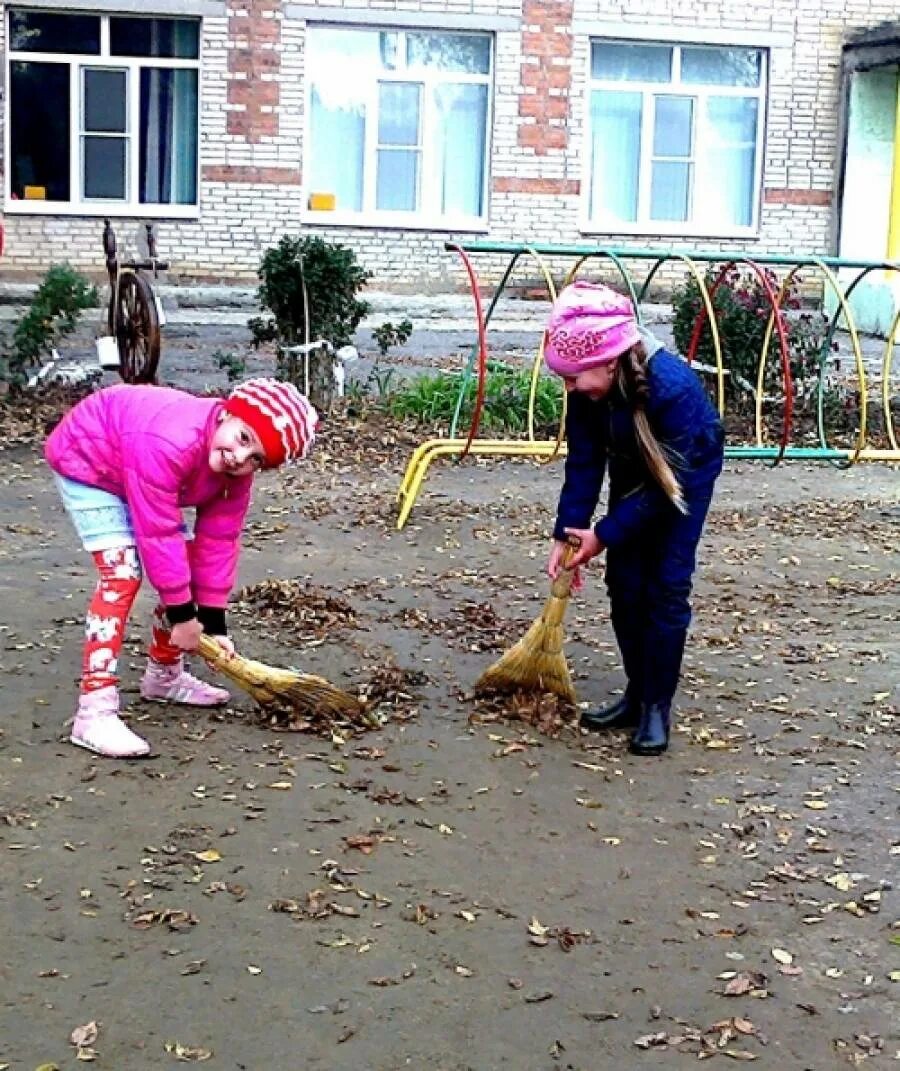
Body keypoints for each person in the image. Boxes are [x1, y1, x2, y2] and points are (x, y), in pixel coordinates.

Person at [45, 378, 318, 759]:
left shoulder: (233, 474)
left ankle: (164, 678)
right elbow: (157, 533)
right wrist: (181, 615)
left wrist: (212, 622)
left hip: (136, 467)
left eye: (256, 457)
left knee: (183, 564)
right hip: (91, 459)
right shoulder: (171, 440)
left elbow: (219, 541)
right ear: (226, 413)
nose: (241, 458)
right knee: (122, 573)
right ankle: (94, 711)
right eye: (242, 437)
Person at [544, 281, 724, 756]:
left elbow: (666, 491)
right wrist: (568, 533)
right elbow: (583, 462)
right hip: (633, 464)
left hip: (684, 476)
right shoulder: (588, 392)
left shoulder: (674, 390)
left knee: (665, 585)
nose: (568, 388)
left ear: (608, 361)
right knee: (625, 583)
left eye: (573, 377)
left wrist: (603, 533)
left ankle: (656, 709)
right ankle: (635, 693)